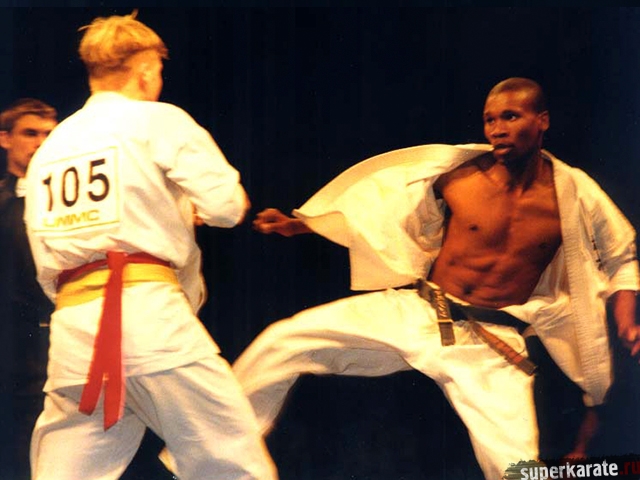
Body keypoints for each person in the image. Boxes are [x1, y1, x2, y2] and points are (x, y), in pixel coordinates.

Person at [234, 77, 640, 479]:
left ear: (542, 121)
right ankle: (223, 463)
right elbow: (377, 205)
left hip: (491, 344)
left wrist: (627, 319)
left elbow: (621, 256)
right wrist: (299, 225)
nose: (497, 129)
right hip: (422, 312)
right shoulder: (461, 175)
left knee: (517, 470)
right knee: (281, 342)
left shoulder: (575, 194)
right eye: (490, 120)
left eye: (511, 117)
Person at [24, 12, 277, 480]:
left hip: (74, 330)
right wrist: (196, 204)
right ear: (145, 70)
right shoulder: (156, 120)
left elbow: (43, 253)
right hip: (149, 320)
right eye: (158, 71)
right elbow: (225, 206)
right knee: (231, 459)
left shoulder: (50, 150)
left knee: (65, 471)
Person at [0, 98, 57, 480]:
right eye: (30, 133)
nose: (40, 143)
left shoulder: (67, 202)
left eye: (49, 134)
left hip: (55, 343)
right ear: (5, 138)